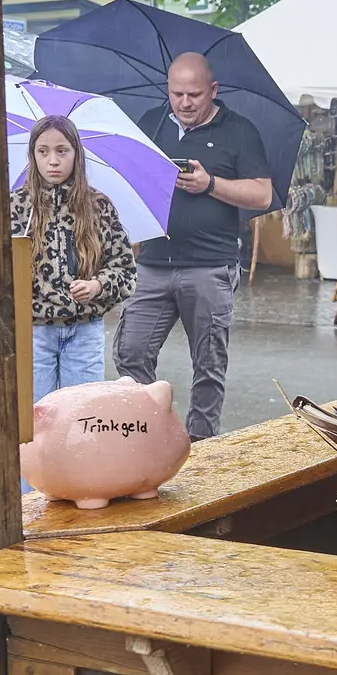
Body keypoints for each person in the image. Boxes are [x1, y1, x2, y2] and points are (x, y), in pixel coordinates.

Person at [116, 52, 273, 440]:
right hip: (152, 262)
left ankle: (202, 446)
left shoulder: (240, 130)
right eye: (177, 94)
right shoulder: (151, 123)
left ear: (213, 91)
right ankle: (146, 436)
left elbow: (262, 195)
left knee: (208, 364)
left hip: (210, 266)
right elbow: (129, 178)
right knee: (131, 352)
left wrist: (211, 184)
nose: (185, 103)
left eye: (195, 95)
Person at [11, 116, 136, 403]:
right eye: (43, 152)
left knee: (83, 415)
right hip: (34, 331)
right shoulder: (16, 207)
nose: (52, 160)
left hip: (84, 330)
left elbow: (125, 268)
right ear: (32, 156)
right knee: (34, 418)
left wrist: (98, 285)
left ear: (76, 155)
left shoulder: (97, 206)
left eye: (62, 151)